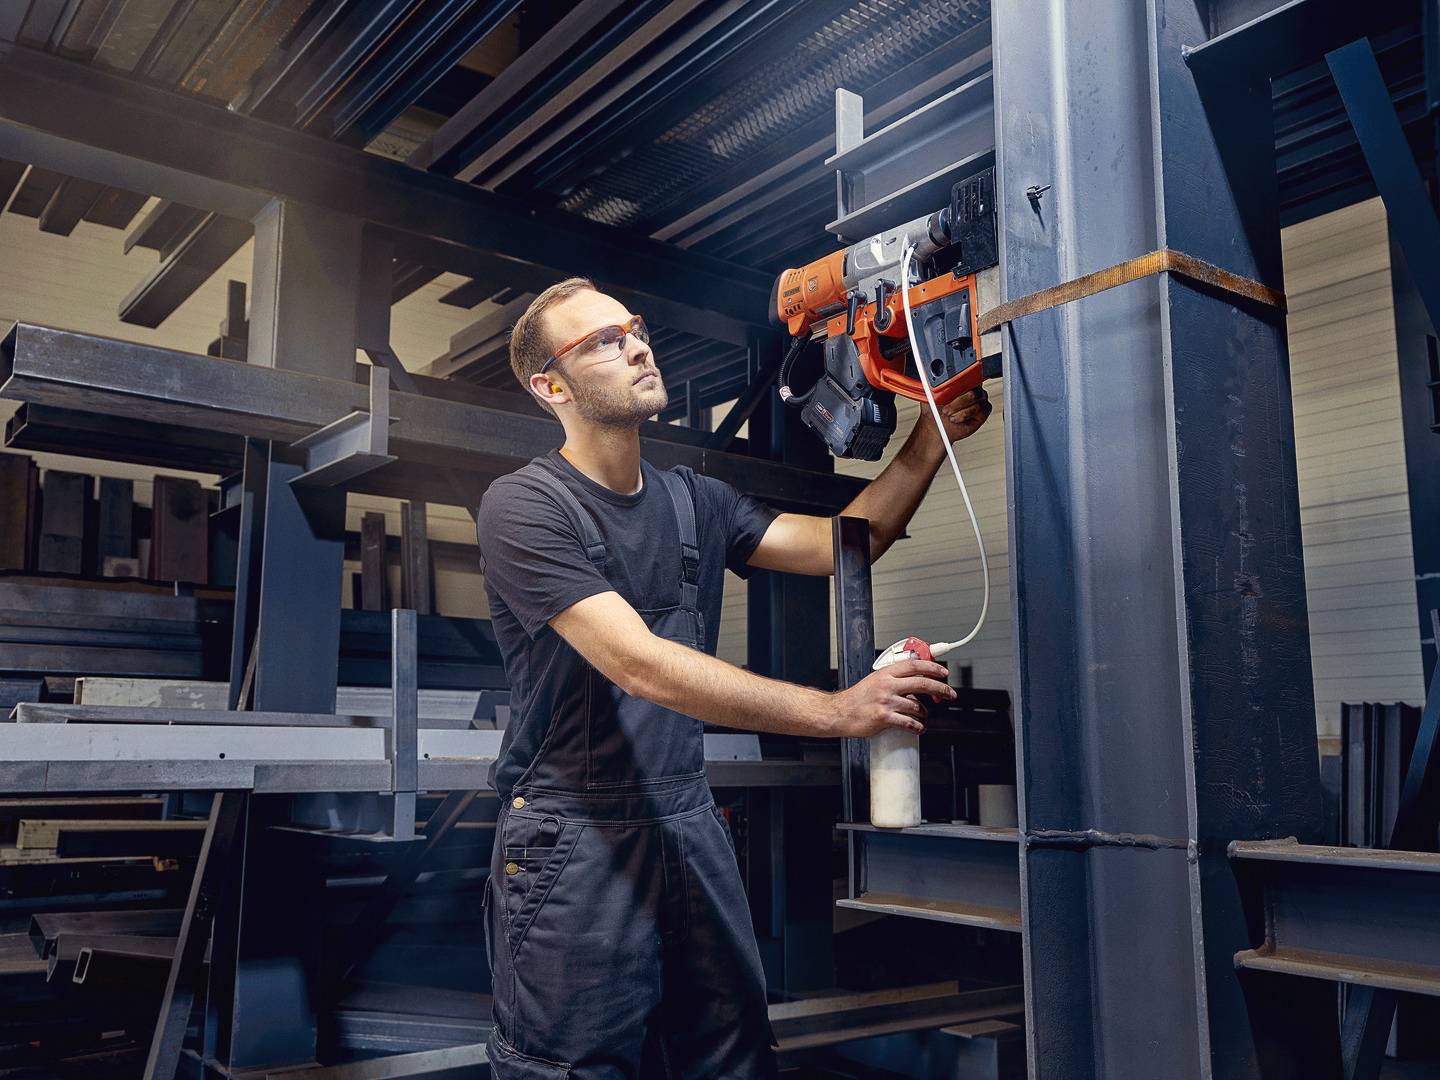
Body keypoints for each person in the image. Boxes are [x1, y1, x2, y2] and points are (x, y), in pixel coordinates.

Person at [474, 277, 991, 1078]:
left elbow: (837, 546)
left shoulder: (694, 502)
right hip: (573, 836)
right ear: (552, 386)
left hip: (688, 818)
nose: (639, 344)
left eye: (635, 325)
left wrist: (931, 437)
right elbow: (636, 663)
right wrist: (838, 712)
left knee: (731, 1055)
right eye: (604, 340)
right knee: (572, 1067)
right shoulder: (525, 507)